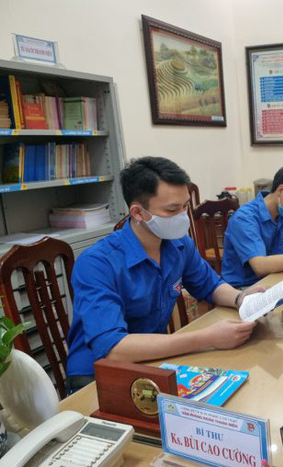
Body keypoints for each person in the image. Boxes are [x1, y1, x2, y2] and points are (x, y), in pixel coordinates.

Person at [66, 157, 263, 394]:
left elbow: (209, 285)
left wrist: (241, 298)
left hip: (152, 360)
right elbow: (113, 349)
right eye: (172, 210)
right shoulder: (97, 263)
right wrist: (207, 338)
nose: (183, 217)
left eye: (185, 206)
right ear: (138, 213)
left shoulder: (178, 244)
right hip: (96, 377)